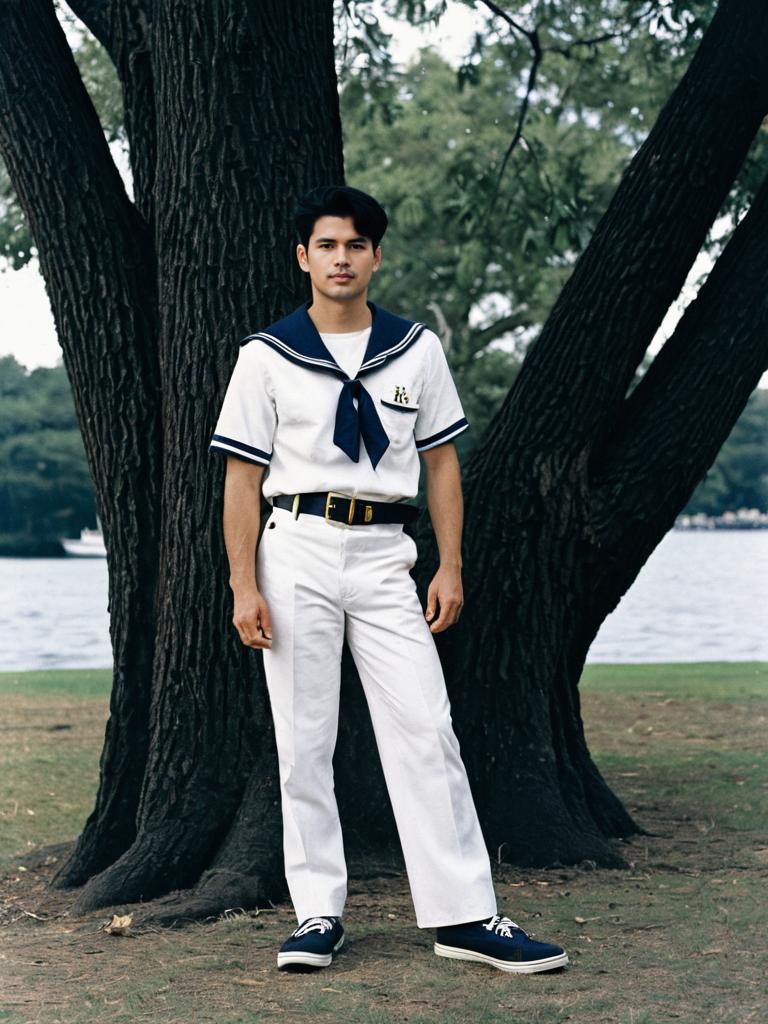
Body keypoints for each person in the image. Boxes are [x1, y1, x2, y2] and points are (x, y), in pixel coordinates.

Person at [209, 185, 568, 975]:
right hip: (295, 545)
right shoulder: (266, 356)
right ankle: (317, 915)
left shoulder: (417, 349)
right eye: (327, 245)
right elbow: (241, 477)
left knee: (425, 728)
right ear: (303, 256)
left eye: (357, 245)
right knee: (303, 739)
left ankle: (465, 915)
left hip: (385, 555)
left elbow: (442, 464)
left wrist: (450, 564)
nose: (343, 259)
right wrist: (243, 584)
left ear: (377, 255)